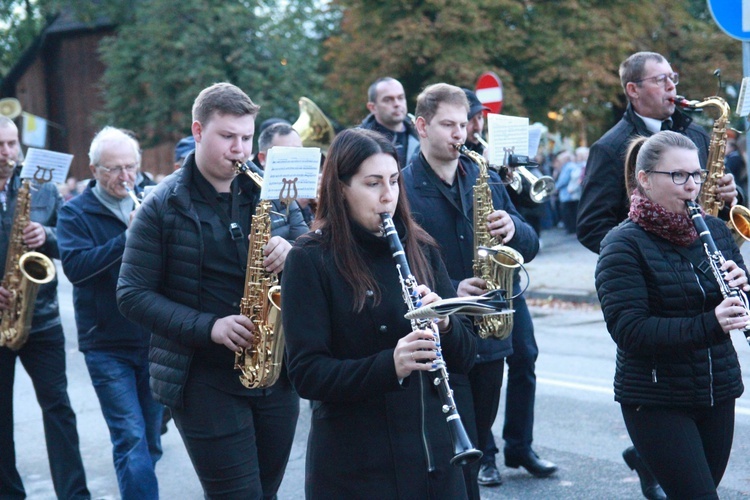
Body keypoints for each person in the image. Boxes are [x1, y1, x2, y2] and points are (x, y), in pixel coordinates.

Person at [117, 82, 299, 499]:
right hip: (201, 378)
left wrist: (294, 251)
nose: (239, 149)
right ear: (198, 132)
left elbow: (311, 249)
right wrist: (210, 327)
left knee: (266, 493)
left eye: (246, 138)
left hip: (274, 371)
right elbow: (130, 294)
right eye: (227, 137)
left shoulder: (270, 190)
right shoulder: (160, 207)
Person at [576, 50, 741, 500]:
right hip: (656, 394)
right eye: (680, 177)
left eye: (696, 176)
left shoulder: (715, 231)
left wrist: (741, 291)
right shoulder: (623, 240)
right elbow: (631, 330)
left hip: (717, 386)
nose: (692, 186)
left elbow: (740, 295)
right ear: (644, 180)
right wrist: (649, 256)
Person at [282, 127, 476, 498]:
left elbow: (466, 357)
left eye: (393, 181)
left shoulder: (421, 249)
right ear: (341, 188)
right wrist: (393, 364)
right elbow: (307, 375)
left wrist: (446, 321)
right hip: (357, 469)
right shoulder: (310, 259)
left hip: (435, 460)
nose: (388, 196)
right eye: (372, 184)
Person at [402, 83, 555, 495]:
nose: (459, 134)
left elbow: (531, 245)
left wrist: (514, 228)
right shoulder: (401, 186)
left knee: (476, 435)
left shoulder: (482, 175)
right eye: (447, 125)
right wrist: (452, 288)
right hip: (440, 334)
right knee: (451, 455)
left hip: (491, 335)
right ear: (421, 126)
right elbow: (395, 264)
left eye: (462, 125)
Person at [57, 126, 163, 499]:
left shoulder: (153, 199)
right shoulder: (74, 213)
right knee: (130, 439)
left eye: (131, 167)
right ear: (93, 169)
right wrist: (126, 239)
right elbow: (78, 269)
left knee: (151, 441)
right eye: (115, 169)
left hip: (154, 339)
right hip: (106, 343)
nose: (126, 177)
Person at [0, 116, 90, 499]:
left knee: (59, 410)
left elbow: (67, 240)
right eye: (0, 147)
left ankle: (74, 494)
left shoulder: (38, 185)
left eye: (12, 144)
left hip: (43, 316)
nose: (7, 154)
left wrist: (47, 234)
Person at [256, 122, 312, 240]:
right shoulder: (255, 196)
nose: (294, 161)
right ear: (262, 158)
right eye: (285, 154)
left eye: (299, 153)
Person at [360, 76, 419, 168]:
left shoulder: (423, 136)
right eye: (388, 99)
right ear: (372, 107)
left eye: (400, 98)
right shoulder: (358, 142)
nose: (397, 104)